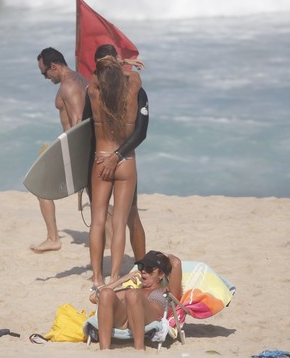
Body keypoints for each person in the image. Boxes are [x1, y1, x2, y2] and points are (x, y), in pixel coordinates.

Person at [87, 55, 141, 286]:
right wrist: (122, 64)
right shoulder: (131, 94)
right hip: (125, 160)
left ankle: (97, 277)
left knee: (98, 220)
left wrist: (110, 65)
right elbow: (135, 75)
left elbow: (95, 78)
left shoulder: (94, 94)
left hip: (101, 159)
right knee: (119, 221)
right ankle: (115, 276)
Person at [31, 47, 88, 253]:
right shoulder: (81, 79)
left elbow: (78, 121)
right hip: (84, 147)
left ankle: (53, 238)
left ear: (53, 66)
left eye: (44, 72)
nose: (45, 77)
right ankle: (108, 239)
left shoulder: (68, 86)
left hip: (75, 148)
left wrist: (72, 156)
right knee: (95, 197)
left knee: (41, 185)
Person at [90, 251, 183, 350]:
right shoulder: (134, 289)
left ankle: (139, 349)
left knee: (133, 294)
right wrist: (122, 280)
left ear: (161, 274)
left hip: (151, 318)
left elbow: (176, 263)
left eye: (149, 268)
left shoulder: (167, 291)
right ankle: (104, 351)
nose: (143, 271)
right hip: (126, 320)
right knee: (106, 294)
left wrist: (164, 256)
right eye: (141, 266)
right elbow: (93, 297)